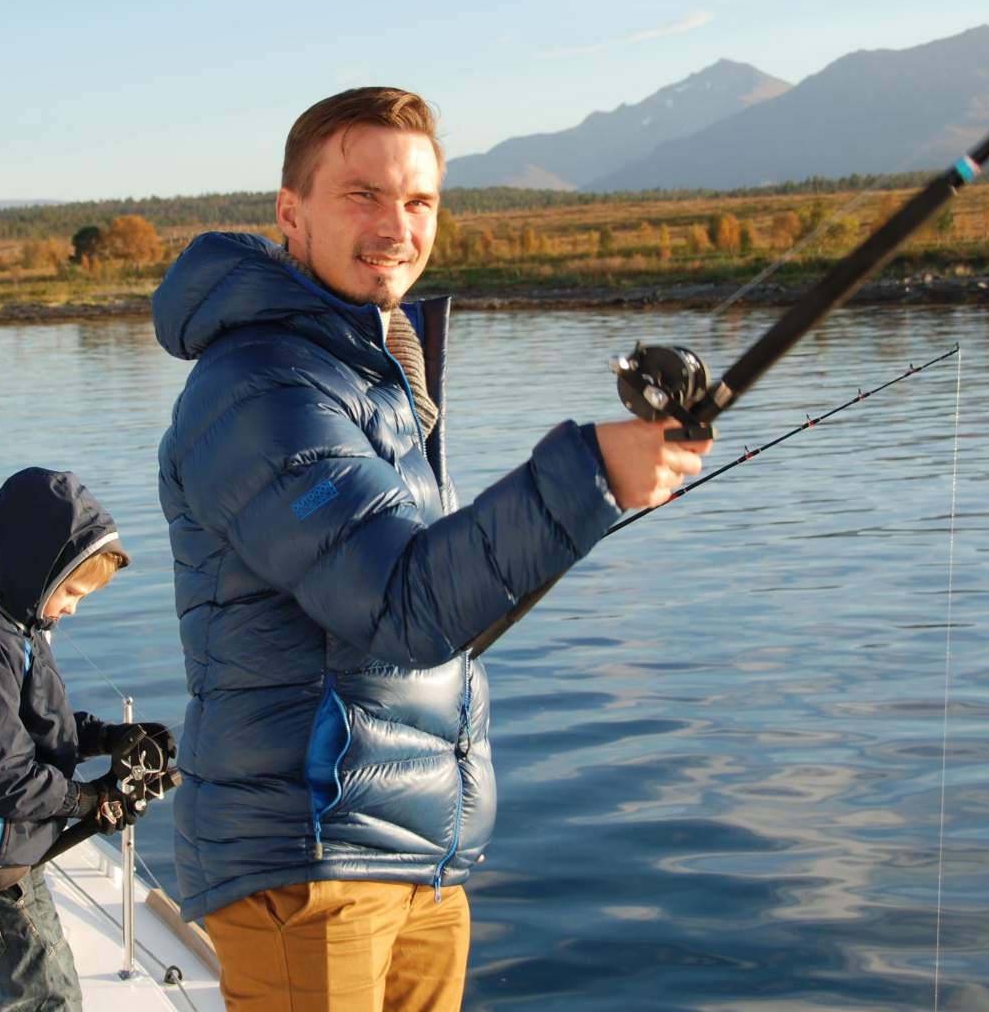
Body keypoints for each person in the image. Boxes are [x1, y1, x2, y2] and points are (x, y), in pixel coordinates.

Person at [151, 87, 712, 1011]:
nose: (395, 227)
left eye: (419, 202)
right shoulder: (260, 388)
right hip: (312, 859)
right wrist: (586, 477)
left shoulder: (372, 371)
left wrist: (598, 483)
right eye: (361, 195)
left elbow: (415, 599)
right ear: (290, 215)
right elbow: (399, 603)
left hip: (411, 854)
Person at [0, 467, 175, 1011]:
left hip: (7, 869)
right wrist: (89, 800)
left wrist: (111, 737)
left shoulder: (13, 627)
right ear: (36, 571)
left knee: (50, 994)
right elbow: (3, 775)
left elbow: (35, 726)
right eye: (73, 591)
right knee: (48, 1001)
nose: (74, 607)